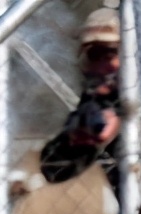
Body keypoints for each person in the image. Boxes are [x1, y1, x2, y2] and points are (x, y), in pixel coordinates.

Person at [39, 7, 122, 194]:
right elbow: (52, 170)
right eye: (93, 56)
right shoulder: (93, 103)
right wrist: (75, 141)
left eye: (109, 54)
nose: (102, 66)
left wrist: (123, 124)